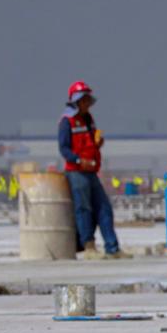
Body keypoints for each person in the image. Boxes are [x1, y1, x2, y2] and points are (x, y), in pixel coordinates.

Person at [58, 81, 127, 259]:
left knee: (104, 208)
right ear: (77, 102)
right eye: (84, 100)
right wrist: (80, 160)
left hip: (91, 171)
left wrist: (98, 144)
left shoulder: (88, 119)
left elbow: (90, 143)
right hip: (76, 172)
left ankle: (112, 248)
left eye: (88, 100)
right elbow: (64, 149)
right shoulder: (67, 122)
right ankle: (89, 247)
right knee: (84, 209)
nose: (88, 104)